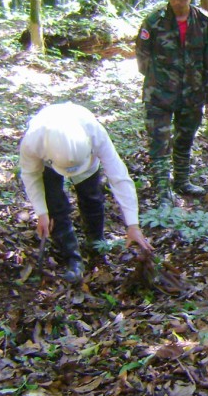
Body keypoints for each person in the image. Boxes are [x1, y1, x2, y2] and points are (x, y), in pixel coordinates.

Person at [20, 102, 151, 284]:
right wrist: (41, 211)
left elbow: (119, 176)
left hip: (86, 161)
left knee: (91, 197)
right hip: (49, 164)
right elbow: (30, 174)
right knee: (55, 206)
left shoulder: (94, 133)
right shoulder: (34, 140)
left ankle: (96, 244)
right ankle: (72, 258)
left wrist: (133, 224)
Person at [136, 0, 208, 207]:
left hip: (192, 95)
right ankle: (163, 192)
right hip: (159, 94)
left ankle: (182, 181)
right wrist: (161, 79)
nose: (177, 2)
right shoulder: (154, 22)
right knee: (159, 143)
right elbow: (142, 58)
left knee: (185, 138)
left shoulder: (204, 22)